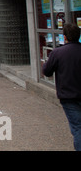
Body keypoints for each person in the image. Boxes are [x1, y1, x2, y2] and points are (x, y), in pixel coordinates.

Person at [42, 23, 81, 151]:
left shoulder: (58, 52)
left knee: (77, 127)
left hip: (68, 96)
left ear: (64, 37)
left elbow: (47, 71)